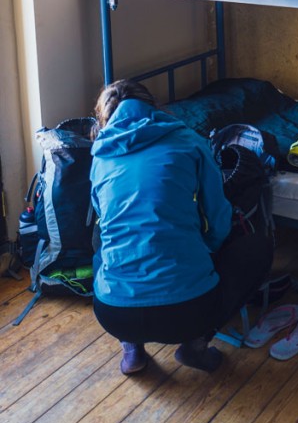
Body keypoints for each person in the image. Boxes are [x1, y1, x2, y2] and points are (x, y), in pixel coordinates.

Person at [89, 79, 273, 375]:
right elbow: (218, 217)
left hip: (113, 312)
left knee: (103, 245)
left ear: (105, 117)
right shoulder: (188, 141)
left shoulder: (100, 155)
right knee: (258, 248)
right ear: (154, 107)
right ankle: (194, 347)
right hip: (187, 312)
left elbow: (104, 222)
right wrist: (207, 251)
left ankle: (132, 349)